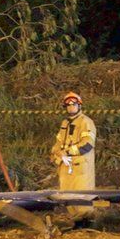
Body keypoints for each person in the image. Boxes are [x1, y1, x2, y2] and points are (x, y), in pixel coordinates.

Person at [49, 91, 97, 221]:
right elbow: (59, 141)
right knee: (67, 195)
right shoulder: (65, 123)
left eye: (74, 104)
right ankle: (76, 223)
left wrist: (67, 151)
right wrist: (55, 152)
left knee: (82, 196)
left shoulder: (86, 122)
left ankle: (87, 224)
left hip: (80, 167)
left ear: (79, 106)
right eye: (68, 105)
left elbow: (87, 144)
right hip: (66, 166)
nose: (71, 107)